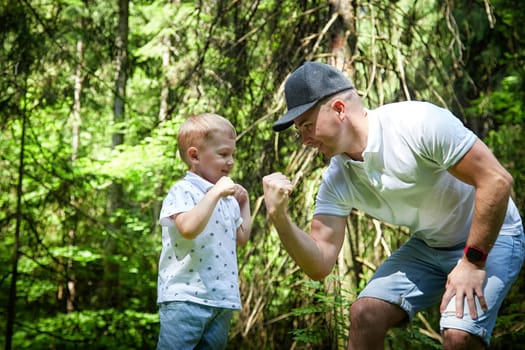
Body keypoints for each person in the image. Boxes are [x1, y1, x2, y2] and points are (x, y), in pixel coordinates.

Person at [262, 61, 524, 350]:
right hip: (431, 245)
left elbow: (497, 181)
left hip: (494, 237)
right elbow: (320, 263)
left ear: (339, 109)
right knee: (365, 314)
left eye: (307, 126)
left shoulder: (417, 123)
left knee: (458, 336)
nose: (304, 141)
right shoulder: (337, 179)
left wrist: (472, 263)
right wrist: (279, 217)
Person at [156, 113, 252, 350]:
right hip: (185, 297)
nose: (230, 162)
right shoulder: (183, 190)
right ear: (194, 155)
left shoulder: (226, 198)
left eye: (232, 155)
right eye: (223, 154)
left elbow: (241, 238)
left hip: (222, 300)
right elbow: (188, 228)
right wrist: (216, 193)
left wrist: (244, 203)